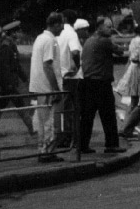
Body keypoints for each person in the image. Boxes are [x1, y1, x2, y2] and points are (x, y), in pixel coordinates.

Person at [79, 17, 126, 153]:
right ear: (99, 27)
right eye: (108, 27)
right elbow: (120, 51)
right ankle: (111, 144)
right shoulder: (104, 41)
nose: (110, 29)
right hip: (101, 82)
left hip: (87, 81)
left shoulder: (89, 40)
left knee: (87, 116)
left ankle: (83, 145)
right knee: (108, 115)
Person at [29, 12, 65, 162]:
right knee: (49, 121)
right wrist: (55, 88)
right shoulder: (50, 41)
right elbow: (47, 65)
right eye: (61, 24)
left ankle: (43, 150)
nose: (63, 28)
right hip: (47, 86)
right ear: (55, 24)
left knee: (42, 121)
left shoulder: (40, 38)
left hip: (39, 86)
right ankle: (48, 152)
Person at [0, 21, 34, 134]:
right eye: (17, 32)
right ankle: (31, 128)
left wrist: (25, 79)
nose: (19, 34)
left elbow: (16, 65)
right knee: (18, 104)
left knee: (1, 107)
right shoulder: (6, 46)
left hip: (9, 84)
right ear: (13, 33)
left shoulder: (11, 45)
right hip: (8, 85)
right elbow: (5, 67)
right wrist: (10, 84)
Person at [54, 10, 84, 148]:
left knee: (61, 108)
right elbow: (75, 51)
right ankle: (72, 138)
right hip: (71, 76)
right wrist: (77, 66)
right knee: (73, 109)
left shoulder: (58, 33)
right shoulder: (72, 33)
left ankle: (62, 137)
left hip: (59, 75)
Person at [114, 21, 140, 118]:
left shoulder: (134, 40)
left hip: (133, 67)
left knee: (135, 94)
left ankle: (132, 115)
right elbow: (139, 56)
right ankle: (133, 117)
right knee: (139, 94)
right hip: (138, 68)